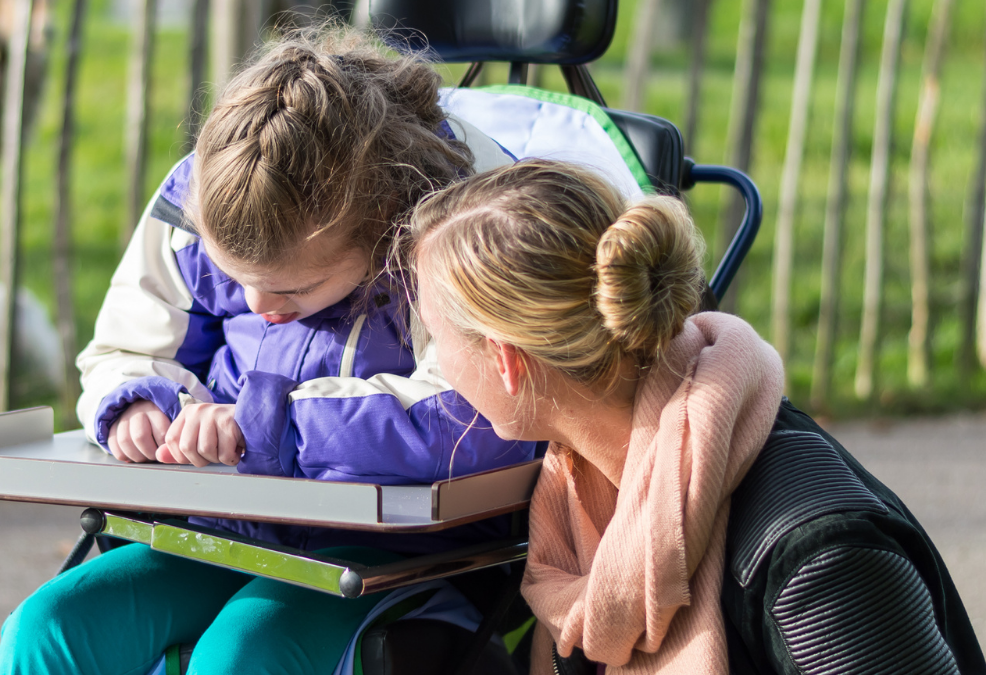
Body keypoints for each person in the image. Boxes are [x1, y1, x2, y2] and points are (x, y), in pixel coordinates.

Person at [0, 26, 544, 675]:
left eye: (293, 285)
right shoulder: (218, 184)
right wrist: (140, 403)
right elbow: (125, 343)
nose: (256, 303)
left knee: (245, 653)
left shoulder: (462, 218)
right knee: (50, 626)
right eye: (235, 277)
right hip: (227, 530)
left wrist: (266, 425)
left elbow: (475, 418)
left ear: (381, 224)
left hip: (403, 555)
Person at [409, 158, 986, 674]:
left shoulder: (814, 558)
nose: (428, 364)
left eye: (432, 336)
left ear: (507, 361)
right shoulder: (578, 501)